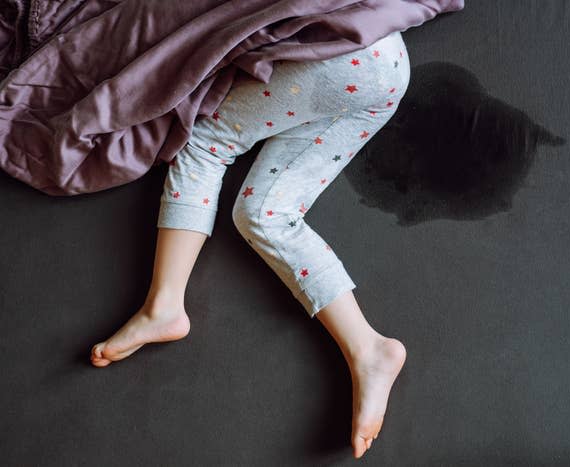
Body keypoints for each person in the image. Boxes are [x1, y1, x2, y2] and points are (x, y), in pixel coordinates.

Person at [89, 31, 410, 459]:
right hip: (386, 67)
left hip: (346, 56)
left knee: (205, 141)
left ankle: (163, 304)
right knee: (265, 214)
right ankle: (368, 348)